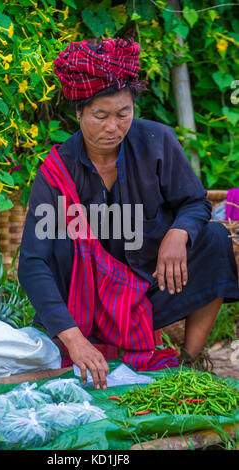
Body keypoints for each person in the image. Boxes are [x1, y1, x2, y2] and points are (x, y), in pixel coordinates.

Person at [18, 38, 239, 389]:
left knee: (212, 237)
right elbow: (31, 263)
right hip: (84, 306)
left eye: (124, 114)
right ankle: (83, 342)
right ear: (78, 113)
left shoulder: (157, 141)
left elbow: (195, 203)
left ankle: (189, 364)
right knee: (54, 238)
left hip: (146, 293)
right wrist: (74, 340)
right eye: (100, 116)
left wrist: (177, 233)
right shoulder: (57, 171)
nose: (113, 127)